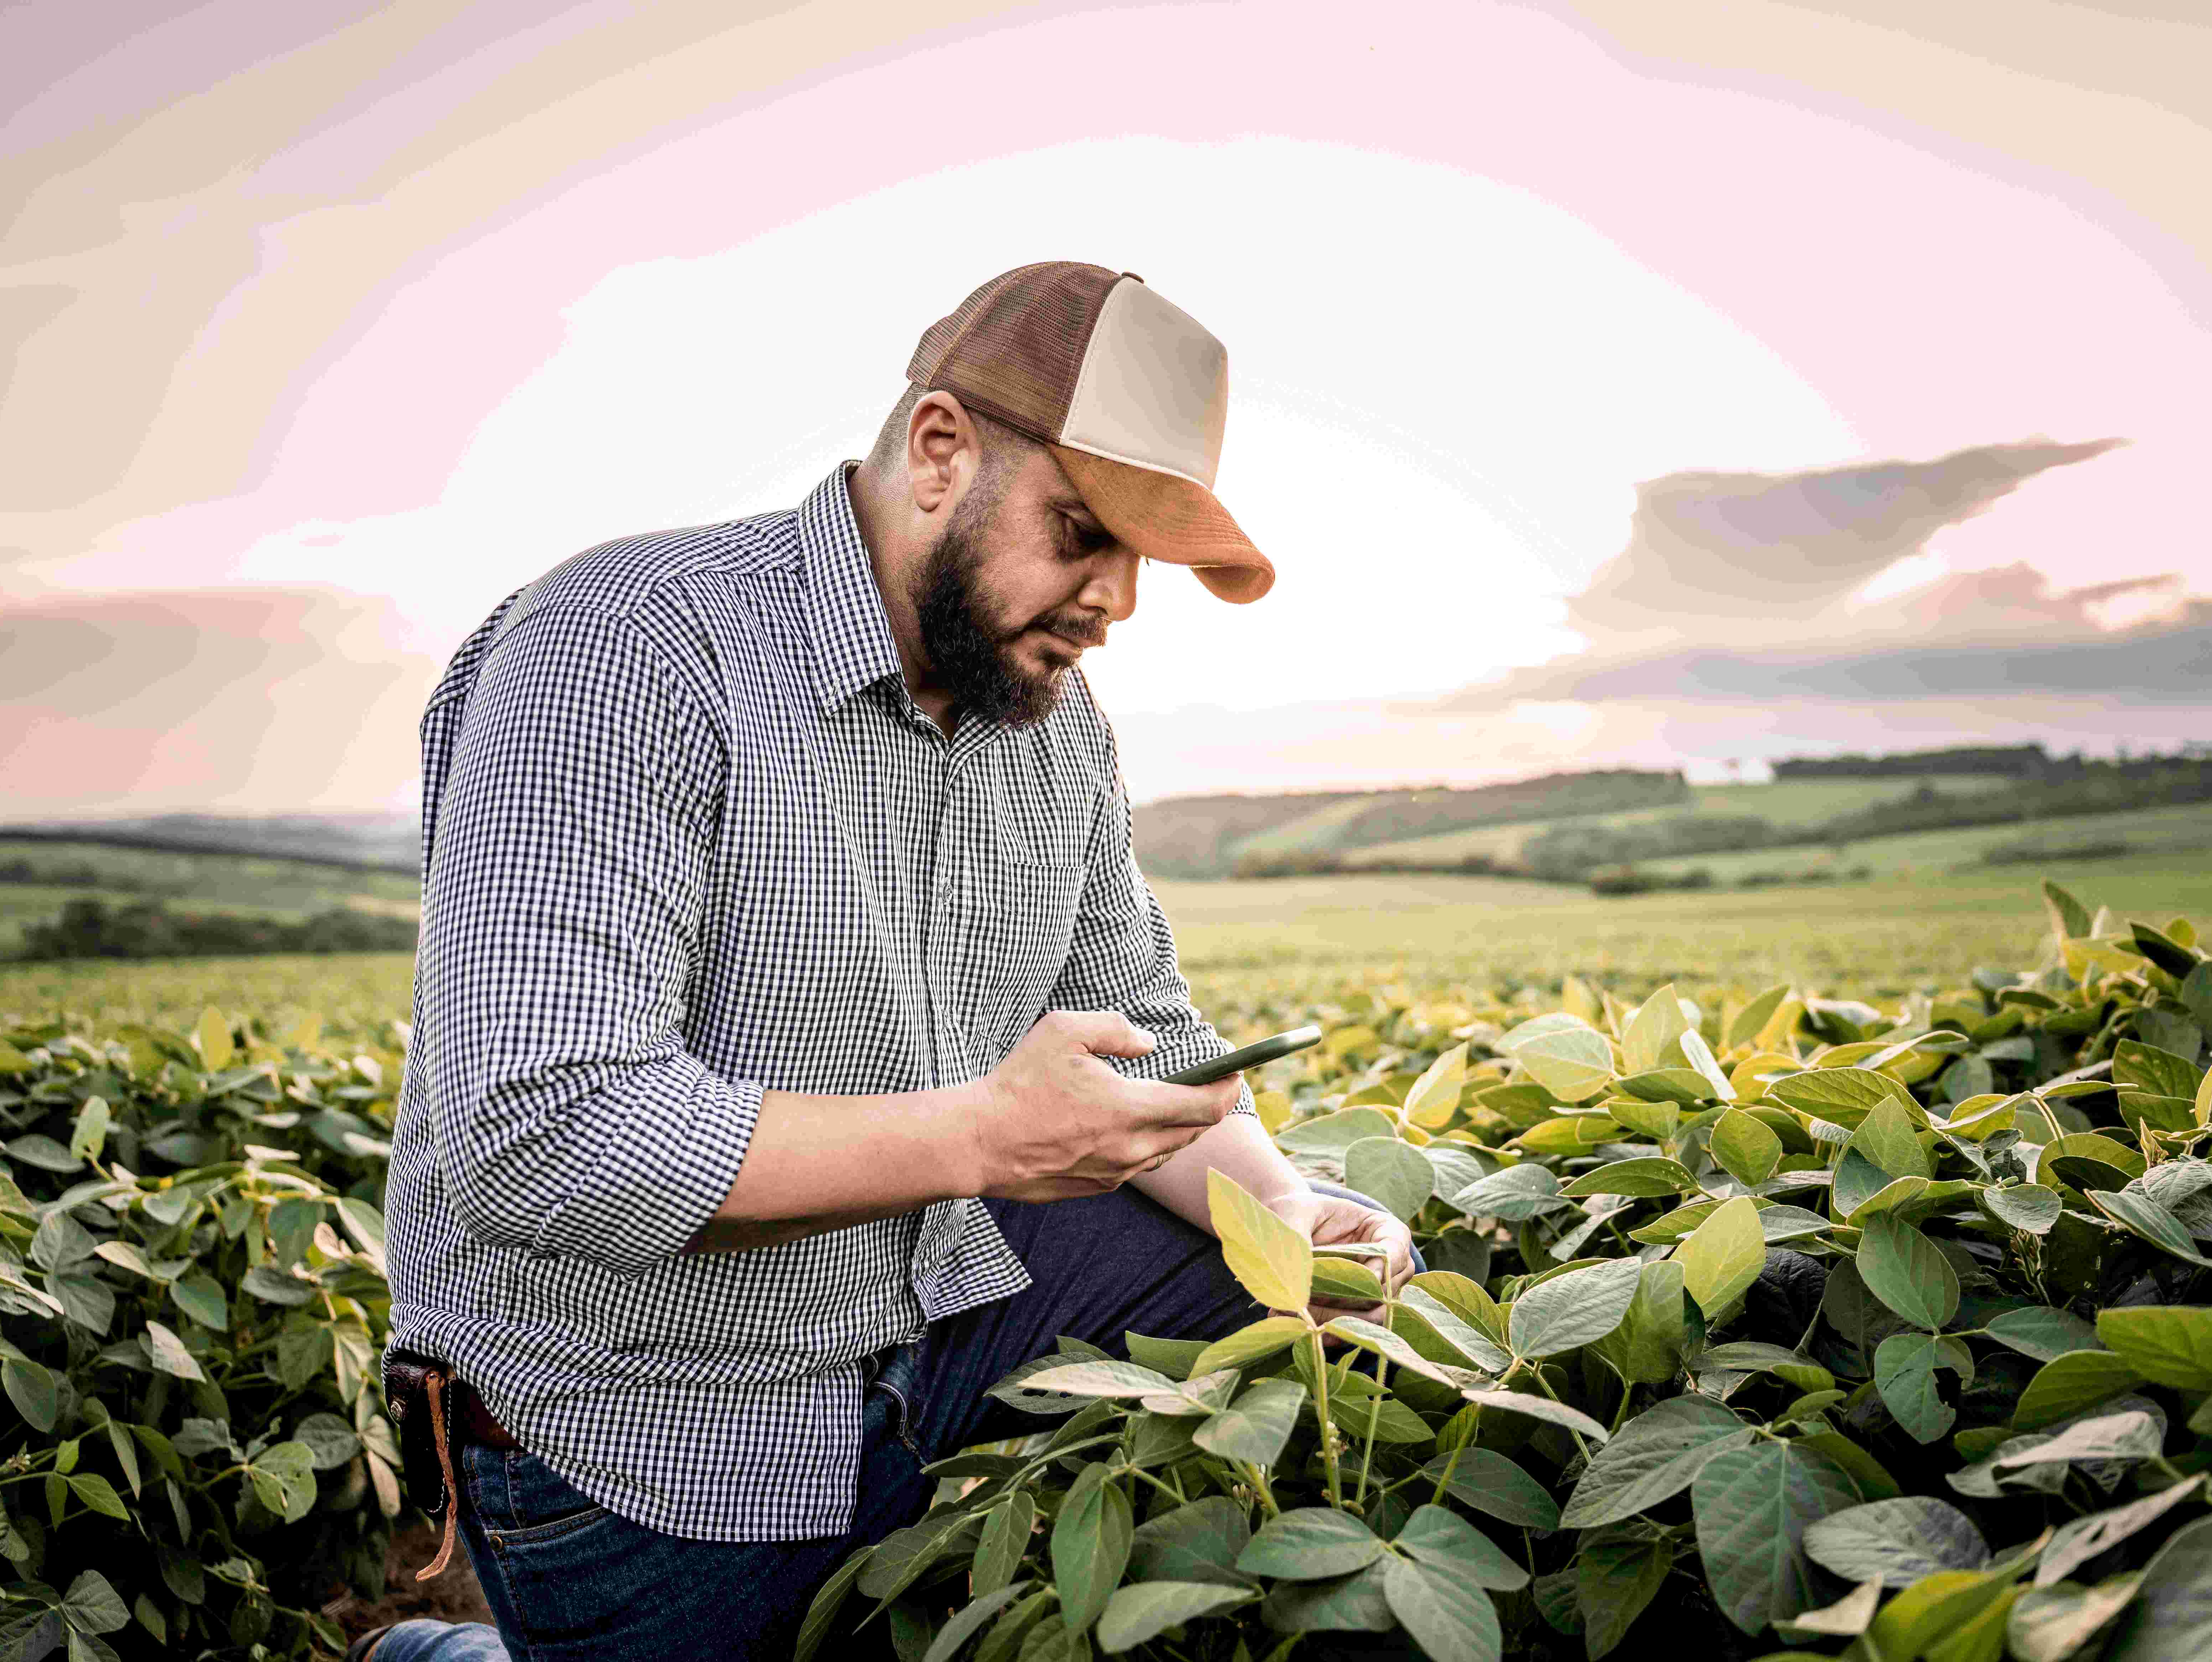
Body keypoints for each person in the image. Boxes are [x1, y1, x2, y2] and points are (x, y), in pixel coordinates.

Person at [356, 262, 1418, 1660]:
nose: (1117, 600)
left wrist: (1297, 1219)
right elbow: (546, 1143)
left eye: (1141, 559)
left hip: (931, 1309)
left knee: (1277, 1293)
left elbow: (1145, 1034)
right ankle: (438, 1649)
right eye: (1084, 531)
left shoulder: (1050, 718)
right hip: (651, 1412)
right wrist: (981, 1136)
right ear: (938, 452)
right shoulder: (624, 653)